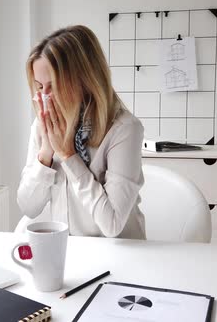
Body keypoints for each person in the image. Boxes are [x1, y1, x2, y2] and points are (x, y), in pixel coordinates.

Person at [17, 25, 145, 239]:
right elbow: (28, 207)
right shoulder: (43, 126)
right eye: (40, 87)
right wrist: (46, 153)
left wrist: (68, 156)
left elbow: (112, 224)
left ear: (85, 80)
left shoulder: (124, 129)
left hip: (120, 255)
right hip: (71, 251)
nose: (45, 97)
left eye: (54, 86)